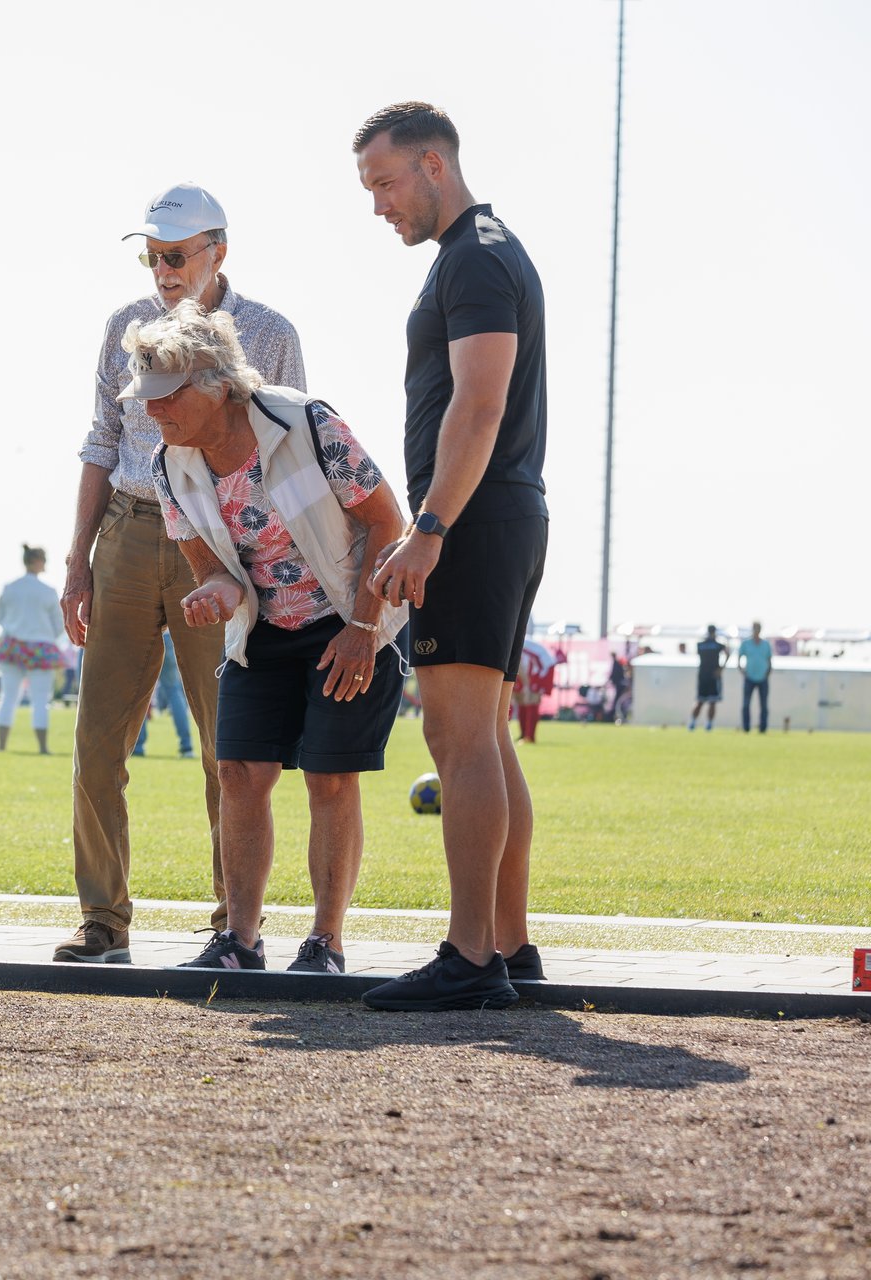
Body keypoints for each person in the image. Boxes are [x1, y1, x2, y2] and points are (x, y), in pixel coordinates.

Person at [56, 181, 306, 965]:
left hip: (224, 546)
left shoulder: (269, 333)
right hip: (128, 535)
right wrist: (77, 562)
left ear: (217, 252)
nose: (161, 270)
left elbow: (290, 443)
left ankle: (235, 924)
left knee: (225, 745)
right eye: (152, 256)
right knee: (98, 741)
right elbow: (102, 440)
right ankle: (102, 919)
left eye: (175, 256)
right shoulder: (123, 327)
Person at [122, 299, 408, 976]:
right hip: (264, 633)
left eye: (166, 397)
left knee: (329, 781)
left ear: (216, 384)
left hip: (349, 619)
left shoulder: (305, 423)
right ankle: (240, 943)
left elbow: (385, 522)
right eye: (146, 399)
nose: (153, 412)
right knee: (240, 774)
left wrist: (364, 628)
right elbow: (215, 573)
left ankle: (325, 944)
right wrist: (211, 595)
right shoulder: (171, 466)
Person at [355, 102, 549, 1011]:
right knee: (488, 739)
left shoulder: (475, 254)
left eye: (387, 183)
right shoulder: (478, 251)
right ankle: (507, 945)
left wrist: (428, 529)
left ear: (434, 164)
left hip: (473, 519)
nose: (381, 205)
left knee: (457, 738)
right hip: (495, 514)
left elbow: (479, 405)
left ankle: (471, 959)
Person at [0, 545, 65, 753]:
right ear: (37, 561)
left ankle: (2, 745)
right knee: (41, 700)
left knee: (8, 697)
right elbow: (58, 624)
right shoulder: (48, 591)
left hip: (13, 645)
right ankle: (42, 747)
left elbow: (0, 618)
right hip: (41, 647)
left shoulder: (10, 588)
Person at [132, 631, 194, 759]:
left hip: (143, 635)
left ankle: (137, 746)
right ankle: (186, 746)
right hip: (167, 637)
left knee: (139, 694)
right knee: (174, 691)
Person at [690, 625, 729, 731]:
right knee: (709, 701)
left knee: (702, 701)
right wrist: (721, 668)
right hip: (712, 676)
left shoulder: (701, 644)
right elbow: (727, 652)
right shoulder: (717, 645)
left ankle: (695, 723)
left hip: (703, 675)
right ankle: (706, 724)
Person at [737, 621, 773, 733]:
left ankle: (763, 728)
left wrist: (767, 673)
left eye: (758, 628)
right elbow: (739, 659)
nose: (756, 630)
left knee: (764, 705)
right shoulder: (746, 643)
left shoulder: (766, 644)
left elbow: (769, 660)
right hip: (749, 678)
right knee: (746, 704)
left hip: (763, 679)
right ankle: (746, 727)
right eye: (754, 628)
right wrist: (743, 671)